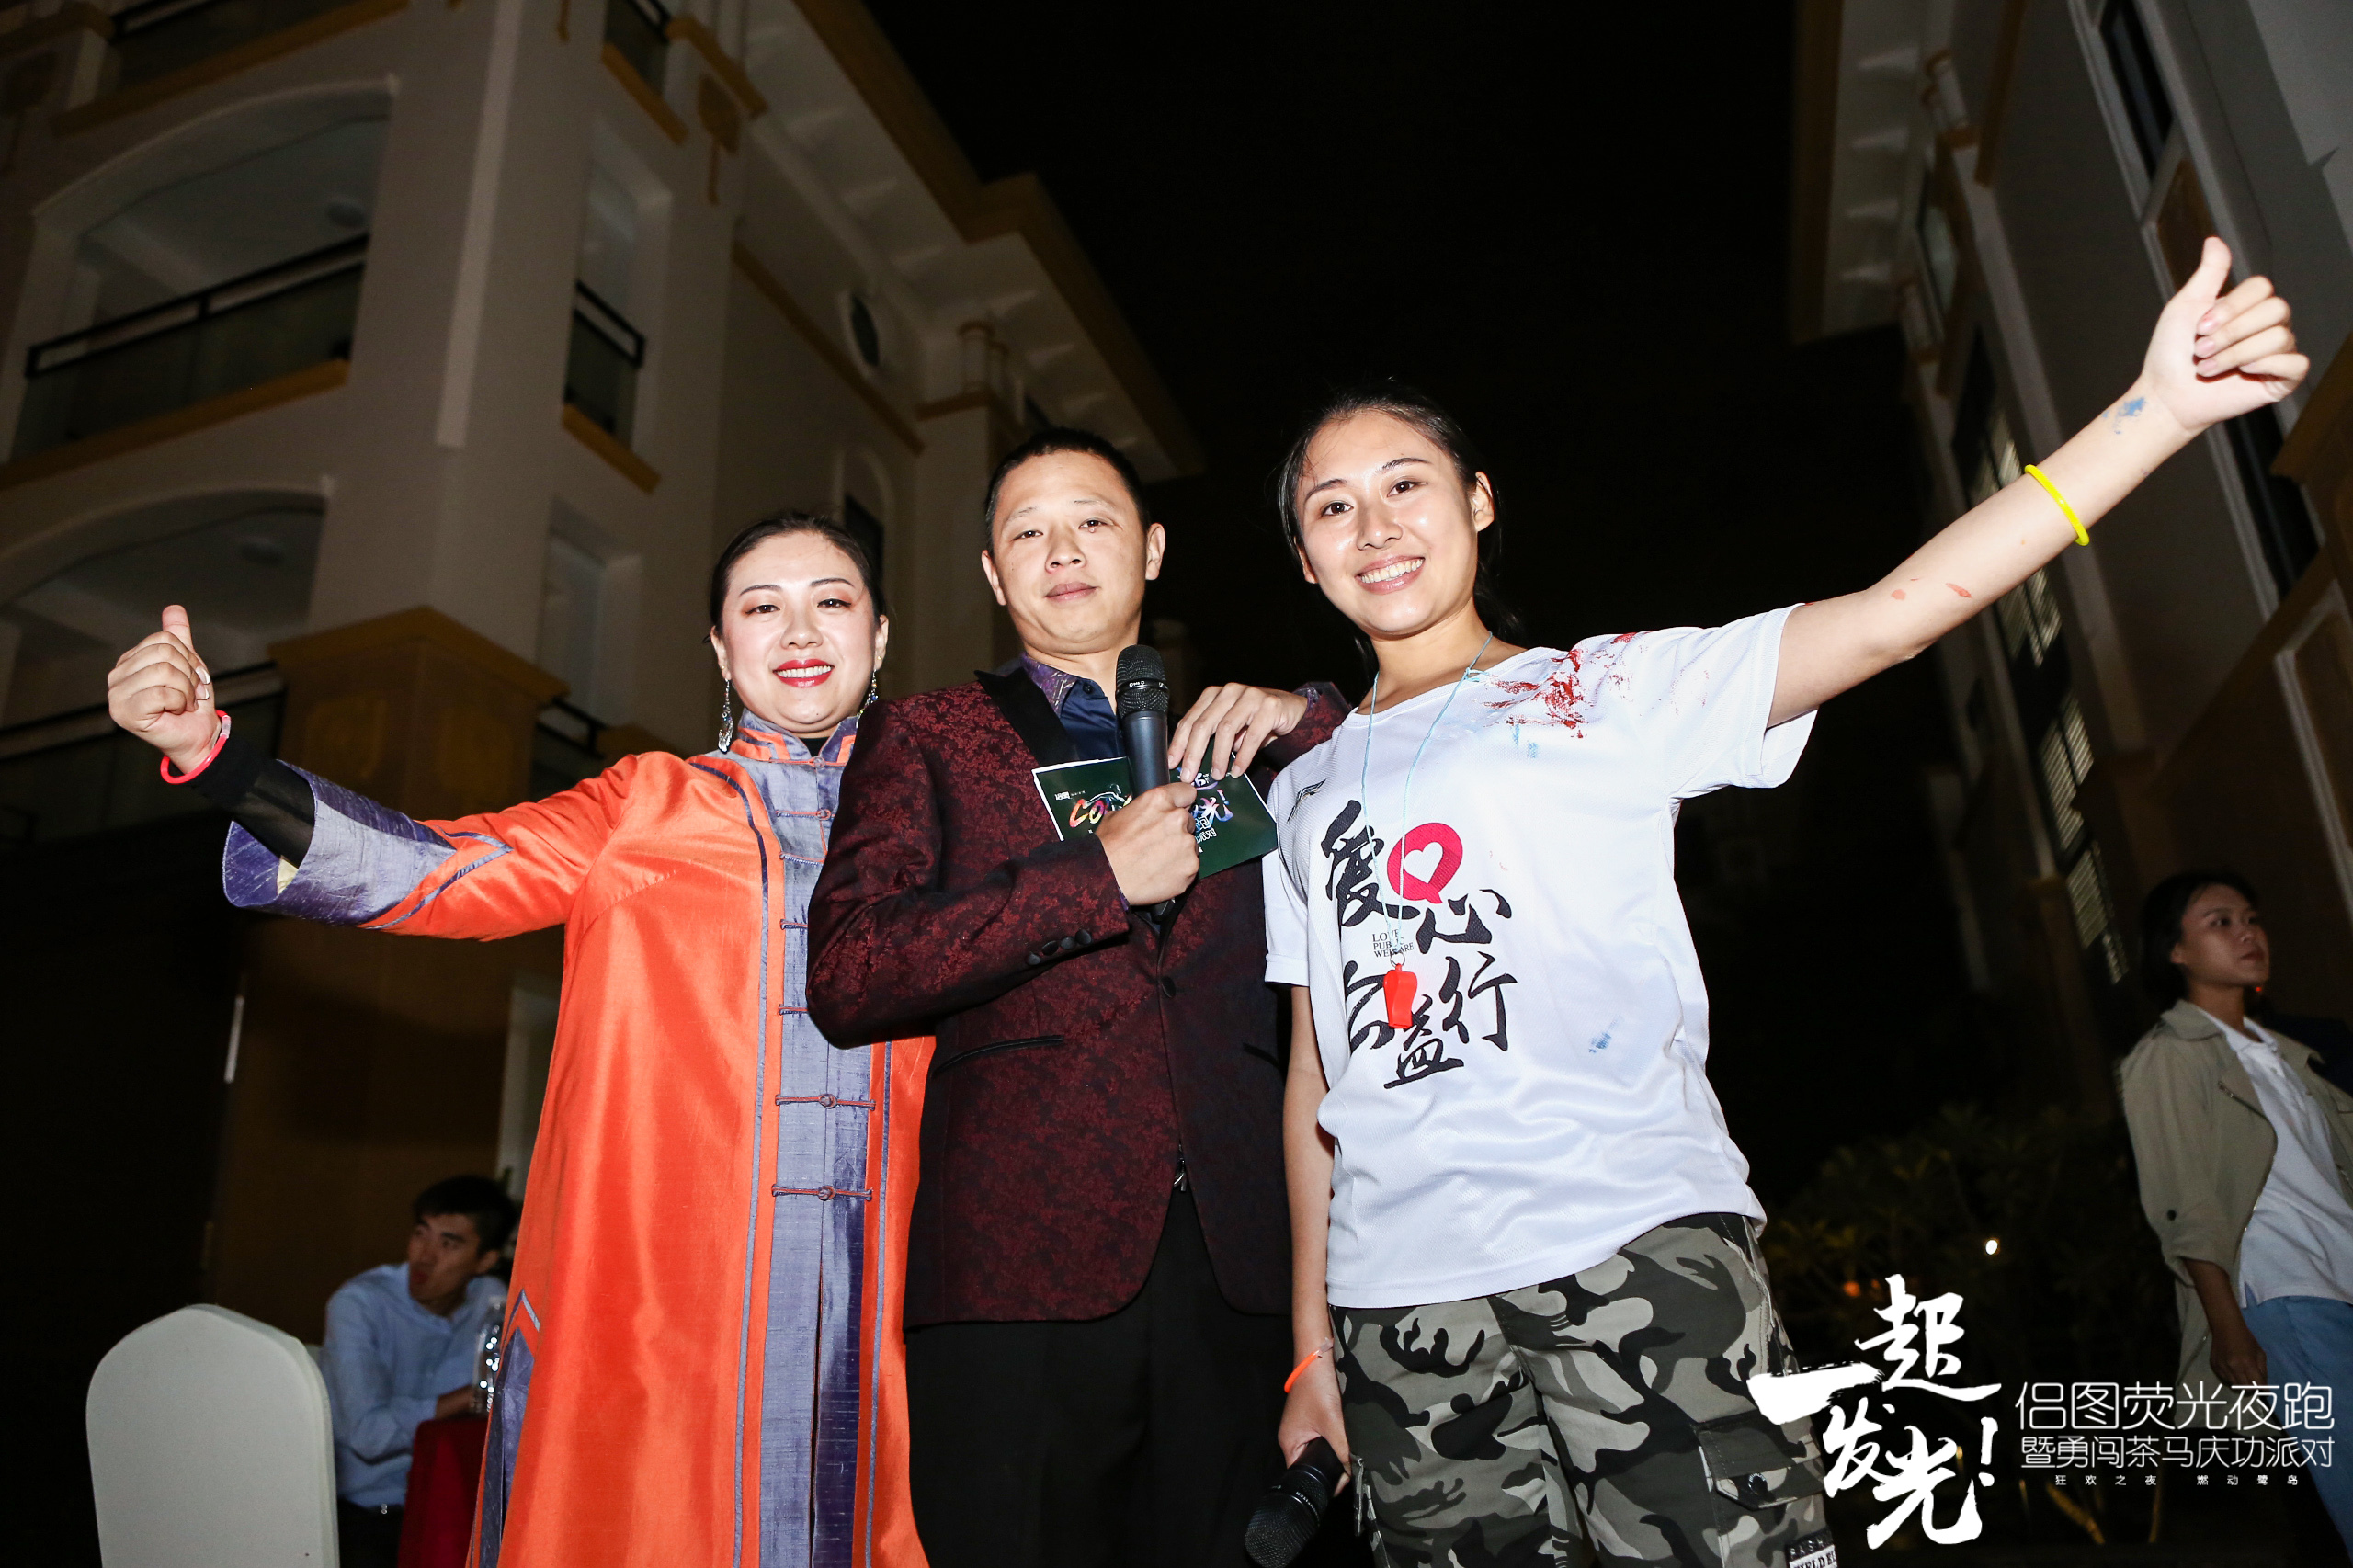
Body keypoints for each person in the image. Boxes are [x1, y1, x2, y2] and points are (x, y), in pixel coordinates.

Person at [1262, 235, 2305, 1566]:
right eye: (1332, 506)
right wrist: (1312, 1348)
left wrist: (2158, 409)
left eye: (1406, 482)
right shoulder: (1306, 792)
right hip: (1399, 1312)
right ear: (1306, 561)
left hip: (1632, 1247)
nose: (1375, 526)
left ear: (1478, 501)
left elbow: (1896, 613)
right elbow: (1315, 1082)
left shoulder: (1605, 690)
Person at [105, 513, 928, 1568]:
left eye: (833, 600)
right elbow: (431, 868)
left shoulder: (948, 827)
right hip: (655, 1303)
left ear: (880, 633)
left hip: (901, 1300)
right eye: (761, 606)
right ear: (722, 649)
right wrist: (215, 758)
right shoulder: (643, 805)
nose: (799, 630)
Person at [806, 426, 1348, 1566]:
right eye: (1028, 532)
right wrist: (1093, 877)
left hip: (1240, 1266)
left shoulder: (1243, 743)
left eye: (1093, 520)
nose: (1062, 550)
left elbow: (1399, 760)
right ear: (993, 573)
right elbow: (852, 967)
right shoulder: (927, 733)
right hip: (1017, 1268)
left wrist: (1305, 714)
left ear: (1151, 549)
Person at [2119, 871, 2353, 1550]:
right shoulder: (2168, 1057)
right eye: (2220, 922)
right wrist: (2228, 1325)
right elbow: (2183, 1202)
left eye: (2251, 918)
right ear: (2176, 951)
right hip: (2285, 1293)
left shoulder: (2286, 1056)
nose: (2247, 932)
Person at [325, 1176, 515, 1568]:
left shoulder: (492, 1301)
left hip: (449, 1510)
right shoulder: (360, 1304)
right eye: (420, 1234)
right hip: (365, 1515)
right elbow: (368, 1435)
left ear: (484, 1261)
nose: (425, 1256)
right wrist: (471, 1395)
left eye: (449, 1243)